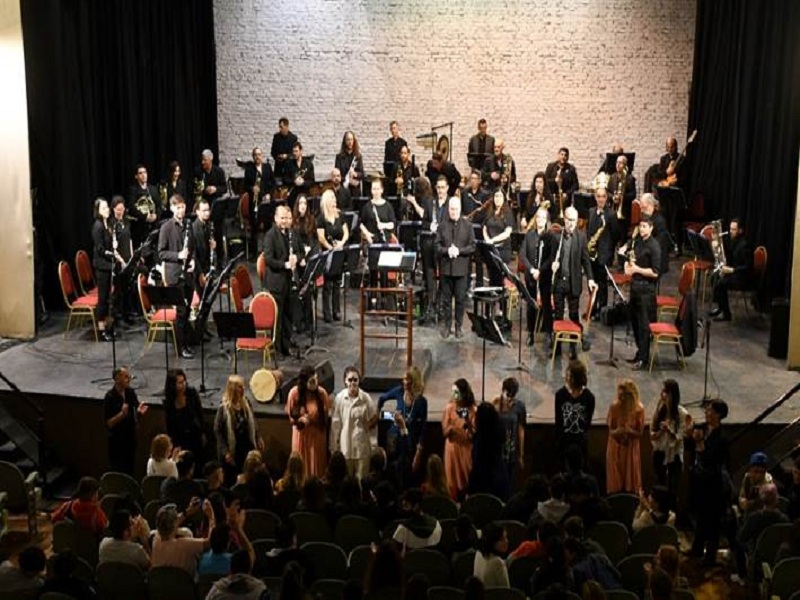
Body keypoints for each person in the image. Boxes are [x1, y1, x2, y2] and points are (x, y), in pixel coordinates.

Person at [688, 399, 731, 566]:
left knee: (712, 522)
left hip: (713, 485)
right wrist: (691, 437)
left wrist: (699, 442)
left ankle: (710, 558)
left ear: (718, 415)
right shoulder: (704, 429)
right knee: (700, 518)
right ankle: (697, 549)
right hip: (700, 480)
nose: (706, 413)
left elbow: (710, 460)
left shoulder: (722, 438)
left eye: (710, 411)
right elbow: (693, 448)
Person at [551, 206, 597, 357]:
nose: (571, 223)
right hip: (559, 282)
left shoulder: (581, 237)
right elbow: (551, 258)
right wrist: (553, 264)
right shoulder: (557, 237)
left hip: (573, 282)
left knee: (573, 315)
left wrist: (590, 278)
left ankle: (573, 347)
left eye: (574, 221)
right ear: (564, 219)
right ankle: (557, 348)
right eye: (569, 220)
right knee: (558, 315)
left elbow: (586, 260)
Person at [158, 194, 196, 359]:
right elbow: (161, 253)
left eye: (183, 207)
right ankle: (181, 347)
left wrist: (192, 260)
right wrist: (178, 255)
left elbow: (192, 247)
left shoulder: (188, 224)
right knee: (181, 312)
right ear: (172, 208)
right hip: (174, 274)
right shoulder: (166, 227)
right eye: (178, 207)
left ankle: (187, 342)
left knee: (187, 311)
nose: (181, 210)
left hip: (187, 274)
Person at [377, 365, 428, 486]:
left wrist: (419, 453)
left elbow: (423, 428)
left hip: (409, 444)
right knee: (394, 473)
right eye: (404, 379)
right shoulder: (399, 391)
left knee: (408, 476)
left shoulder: (421, 402)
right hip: (396, 441)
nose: (404, 382)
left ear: (414, 382)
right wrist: (384, 414)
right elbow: (382, 398)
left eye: (407, 379)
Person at [624, 216, 661, 370]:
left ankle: (643, 359)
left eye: (645, 226)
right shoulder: (638, 242)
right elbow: (632, 259)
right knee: (635, 322)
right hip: (635, 288)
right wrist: (628, 264)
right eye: (640, 226)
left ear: (651, 228)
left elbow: (655, 272)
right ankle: (640, 353)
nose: (642, 229)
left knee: (644, 325)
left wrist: (637, 270)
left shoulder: (654, 246)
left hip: (646, 290)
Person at [437, 196, 476, 339]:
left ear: (460, 209)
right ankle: (447, 326)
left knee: (460, 300)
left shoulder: (467, 225)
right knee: (446, 301)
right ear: (448, 209)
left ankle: (458, 326)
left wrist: (459, 251)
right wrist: (447, 250)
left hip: (461, 270)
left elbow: (472, 246)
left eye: (456, 209)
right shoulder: (442, 226)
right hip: (446, 269)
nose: (454, 212)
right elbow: (437, 246)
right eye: (452, 209)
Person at [215, 375, 264, 485]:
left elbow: (253, 422)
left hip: (246, 447)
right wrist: (225, 452)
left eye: (243, 387)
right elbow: (218, 431)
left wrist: (258, 437)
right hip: (233, 451)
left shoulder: (246, 403)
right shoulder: (223, 408)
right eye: (239, 387)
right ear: (232, 389)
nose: (243, 390)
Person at [330, 365, 378, 478]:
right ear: (345, 381)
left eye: (355, 379)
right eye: (350, 380)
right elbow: (336, 425)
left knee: (361, 482)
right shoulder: (340, 398)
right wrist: (334, 448)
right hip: (346, 448)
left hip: (362, 450)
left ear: (359, 381)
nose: (352, 382)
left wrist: (374, 446)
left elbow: (373, 424)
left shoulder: (366, 398)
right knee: (346, 481)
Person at [262, 205, 296, 356]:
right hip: (276, 282)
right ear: (276, 218)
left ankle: (286, 345)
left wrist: (294, 259)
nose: (284, 221)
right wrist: (285, 265)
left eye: (286, 218)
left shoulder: (288, 233)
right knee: (278, 318)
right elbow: (268, 259)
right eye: (282, 218)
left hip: (287, 280)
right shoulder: (270, 236)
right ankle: (276, 350)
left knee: (287, 315)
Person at [286, 364, 331, 478]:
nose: (315, 383)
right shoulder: (294, 394)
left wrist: (311, 420)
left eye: (316, 379)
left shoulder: (322, 394)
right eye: (311, 381)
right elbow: (291, 418)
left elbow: (325, 419)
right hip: (301, 437)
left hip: (316, 437)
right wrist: (299, 420)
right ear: (304, 382)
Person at [406, 176, 440, 324]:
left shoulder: (426, 200)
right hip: (429, 239)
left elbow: (424, 214)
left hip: (428, 240)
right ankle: (431, 301)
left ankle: (431, 303)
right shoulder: (431, 199)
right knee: (429, 273)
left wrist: (413, 202)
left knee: (429, 272)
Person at [650, 379, 689, 502]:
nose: (662, 394)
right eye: (662, 391)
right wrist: (661, 431)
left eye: (665, 391)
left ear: (672, 394)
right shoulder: (659, 411)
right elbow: (652, 435)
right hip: (659, 453)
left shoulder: (682, 414)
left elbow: (680, 437)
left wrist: (669, 430)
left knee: (673, 492)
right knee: (659, 490)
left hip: (674, 457)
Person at [151, 502, 215, 578]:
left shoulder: (155, 539)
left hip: (163, 584)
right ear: (174, 524)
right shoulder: (184, 545)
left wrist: (188, 511)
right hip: (189, 583)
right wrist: (211, 517)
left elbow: (170, 523)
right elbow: (210, 542)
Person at [521, 207, 556, 346]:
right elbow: (523, 254)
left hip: (544, 276)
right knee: (531, 306)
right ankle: (530, 333)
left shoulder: (550, 237)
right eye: (538, 217)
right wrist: (531, 270)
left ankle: (548, 333)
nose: (540, 219)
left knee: (546, 306)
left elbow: (551, 257)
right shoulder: (529, 235)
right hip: (531, 277)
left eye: (543, 217)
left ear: (546, 220)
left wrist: (540, 271)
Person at [104, 366, 147, 475]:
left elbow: (136, 408)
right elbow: (109, 423)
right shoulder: (110, 397)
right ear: (117, 379)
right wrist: (121, 415)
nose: (129, 379)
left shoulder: (130, 392)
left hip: (130, 438)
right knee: (118, 471)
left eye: (129, 376)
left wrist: (139, 411)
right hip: (117, 442)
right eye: (126, 377)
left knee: (130, 469)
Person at [586, 183, 620, 319]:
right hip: (591, 253)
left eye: (603, 196)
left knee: (602, 284)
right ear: (595, 197)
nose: (601, 199)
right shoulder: (591, 211)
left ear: (606, 198)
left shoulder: (611, 214)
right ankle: (592, 308)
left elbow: (616, 234)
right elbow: (589, 231)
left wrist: (608, 251)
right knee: (591, 281)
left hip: (603, 255)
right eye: (598, 196)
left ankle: (602, 310)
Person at [605, 380, 645, 494]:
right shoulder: (614, 407)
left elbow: (640, 433)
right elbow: (611, 430)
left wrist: (629, 431)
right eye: (619, 396)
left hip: (630, 449)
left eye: (624, 396)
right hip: (616, 447)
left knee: (630, 483)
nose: (621, 399)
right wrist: (619, 431)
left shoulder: (639, 409)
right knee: (615, 482)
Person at [92, 197, 123, 341]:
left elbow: (109, 244)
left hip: (108, 265)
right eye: (103, 208)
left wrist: (114, 246)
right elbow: (100, 249)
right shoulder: (97, 226)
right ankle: (101, 329)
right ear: (98, 211)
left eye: (107, 207)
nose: (107, 210)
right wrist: (111, 254)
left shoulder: (107, 224)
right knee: (103, 298)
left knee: (110, 298)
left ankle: (109, 326)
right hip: (102, 266)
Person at [316, 189, 349, 322]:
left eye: (335, 198)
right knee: (327, 284)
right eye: (332, 199)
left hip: (339, 252)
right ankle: (327, 312)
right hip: (328, 253)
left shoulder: (340, 215)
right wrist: (331, 248)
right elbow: (321, 238)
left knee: (337, 282)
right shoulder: (321, 218)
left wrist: (341, 243)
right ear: (326, 201)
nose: (334, 201)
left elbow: (346, 232)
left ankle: (336, 311)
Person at [710, 217, 752, 321]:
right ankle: (721, 308)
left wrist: (731, 270)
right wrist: (717, 243)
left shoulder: (745, 245)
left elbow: (748, 267)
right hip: (734, 273)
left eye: (734, 229)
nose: (730, 231)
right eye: (730, 229)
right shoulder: (733, 241)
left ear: (740, 230)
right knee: (714, 277)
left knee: (721, 283)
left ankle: (727, 314)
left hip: (742, 277)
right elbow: (729, 254)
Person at [482, 188, 514, 321]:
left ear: (504, 198)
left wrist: (493, 240)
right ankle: (490, 310)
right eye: (496, 196)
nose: (498, 199)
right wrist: (487, 239)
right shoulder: (490, 211)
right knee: (492, 279)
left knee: (500, 281)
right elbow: (484, 227)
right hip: (491, 249)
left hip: (503, 251)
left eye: (500, 196)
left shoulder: (508, 213)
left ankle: (502, 310)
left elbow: (507, 233)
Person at [442, 378, 476, 500]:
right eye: (452, 391)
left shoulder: (472, 410)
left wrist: (467, 421)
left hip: (466, 449)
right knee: (452, 483)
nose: (453, 395)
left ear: (463, 393)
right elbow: (445, 432)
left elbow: (472, 435)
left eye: (456, 392)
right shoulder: (449, 408)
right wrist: (451, 428)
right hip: (452, 449)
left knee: (467, 479)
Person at [554, 361, 595, 462]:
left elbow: (587, 423)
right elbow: (558, 421)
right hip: (563, 442)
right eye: (567, 375)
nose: (567, 378)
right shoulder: (560, 395)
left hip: (580, 442)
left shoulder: (589, 397)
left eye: (570, 376)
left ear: (577, 378)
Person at [468, 402, 510, 500]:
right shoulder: (498, 434)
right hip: (499, 481)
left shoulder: (480, 440)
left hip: (482, 482)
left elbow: (477, 461)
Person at [163, 368, 206, 466]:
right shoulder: (169, 401)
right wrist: (174, 444)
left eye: (184, 381)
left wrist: (202, 432)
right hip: (180, 440)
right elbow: (170, 425)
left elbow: (199, 413)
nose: (183, 385)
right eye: (180, 383)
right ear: (172, 385)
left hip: (195, 436)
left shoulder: (191, 393)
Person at [110, 196, 136, 325]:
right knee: (118, 290)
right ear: (113, 209)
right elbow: (113, 246)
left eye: (122, 209)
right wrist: (121, 261)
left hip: (127, 258)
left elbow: (129, 239)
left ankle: (127, 314)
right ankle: (117, 315)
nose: (121, 211)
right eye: (118, 209)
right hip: (118, 261)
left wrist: (131, 256)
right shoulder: (112, 224)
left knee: (128, 289)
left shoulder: (126, 221)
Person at [496, 377, 526, 483]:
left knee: (509, 481)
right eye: (507, 394)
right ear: (503, 390)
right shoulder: (496, 404)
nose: (509, 398)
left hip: (510, 451)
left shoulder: (519, 406)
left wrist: (521, 454)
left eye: (512, 396)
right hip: (497, 450)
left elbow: (521, 430)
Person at [243, 146, 276, 235]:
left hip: (267, 200)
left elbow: (273, 183)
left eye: (259, 154)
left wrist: (270, 194)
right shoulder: (249, 169)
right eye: (255, 155)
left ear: (262, 156)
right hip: (255, 201)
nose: (257, 157)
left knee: (268, 225)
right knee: (254, 227)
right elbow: (245, 186)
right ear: (253, 157)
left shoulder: (267, 167)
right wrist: (252, 188)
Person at [126, 164, 159, 246]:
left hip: (153, 226)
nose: (144, 175)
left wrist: (156, 216)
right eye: (140, 173)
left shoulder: (153, 189)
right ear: (136, 176)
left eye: (145, 172)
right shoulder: (133, 190)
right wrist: (145, 217)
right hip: (139, 228)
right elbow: (131, 208)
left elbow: (159, 205)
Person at [473, 521, 510, 587]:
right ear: (492, 542)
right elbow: (506, 590)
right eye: (502, 540)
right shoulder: (497, 562)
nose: (506, 541)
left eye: (506, 537)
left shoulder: (478, 553)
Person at [738, 451, 774, 515]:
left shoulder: (768, 481)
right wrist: (743, 502)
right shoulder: (747, 477)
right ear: (750, 469)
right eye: (756, 471)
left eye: (762, 472)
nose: (758, 476)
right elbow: (742, 495)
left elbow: (770, 504)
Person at [607, 154, 637, 227]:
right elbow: (607, 192)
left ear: (625, 165)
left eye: (620, 163)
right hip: (613, 210)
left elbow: (633, 194)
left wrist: (622, 197)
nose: (618, 164)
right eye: (617, 162)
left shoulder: (630, 178)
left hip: (625, 212)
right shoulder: (612, 177)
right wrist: (613, 197)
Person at [335, 131, 364, 199]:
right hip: (342, 190)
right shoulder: (339, 157)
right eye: (348, 139)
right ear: (344, 141)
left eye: (351, 139)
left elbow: (362, 174)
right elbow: (336, 175)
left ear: (354, 141)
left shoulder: (358, 156)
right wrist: (348, 180)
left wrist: (355, 174)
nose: (350, 142)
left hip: (355, 192)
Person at [286, 141, 315, 207]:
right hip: (293, 196)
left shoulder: (309, 164)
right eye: (293, 151)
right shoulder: (289, 164)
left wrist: (303, 183)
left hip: (305, 194)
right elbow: (285, 179)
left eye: (296, 151)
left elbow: (312, 181)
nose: (294, 153)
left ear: (301, 151)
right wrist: (294, 181)